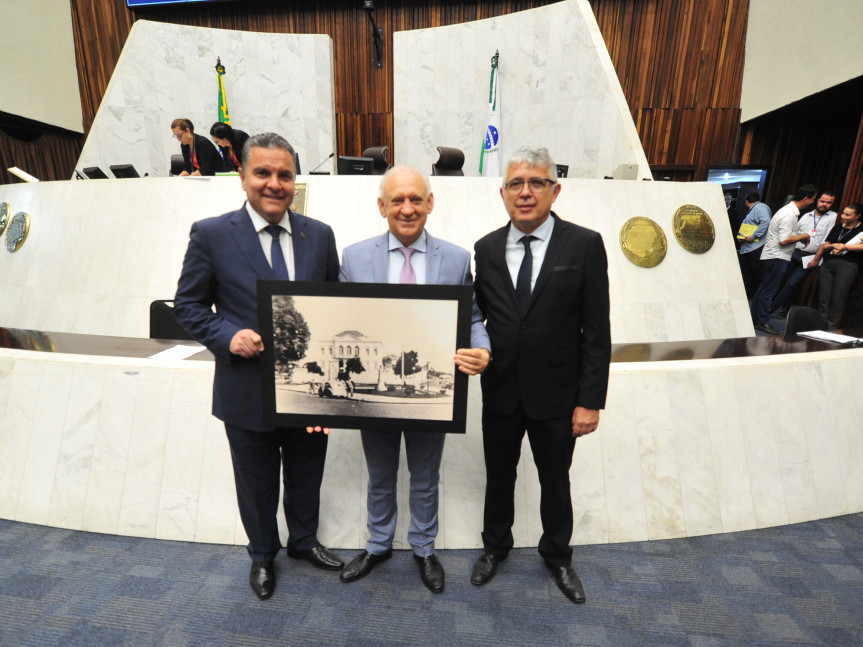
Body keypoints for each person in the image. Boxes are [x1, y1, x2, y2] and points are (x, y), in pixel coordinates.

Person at [173, 132, 342, 600]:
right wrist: (227, 336)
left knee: (308, 473)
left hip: (308, 391)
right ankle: (262, 555)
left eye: (284, 174)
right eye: (263, 173)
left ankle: (304, 542)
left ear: (295, 180)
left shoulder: (320, 235)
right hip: (246, 390)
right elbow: (186, 307)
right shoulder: (210, 233)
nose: (274, 183)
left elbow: (332, 310)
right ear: (243, 177)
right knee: (257, 482)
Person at [335, 166, 491, 593]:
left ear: (430, 203)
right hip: (373, 391)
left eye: (416, 200)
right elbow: (341, 316)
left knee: (425, 475)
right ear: (382, 207)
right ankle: (378, 544)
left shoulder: (457, 259)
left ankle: (424, 549)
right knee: (380, 474)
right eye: (397, 200)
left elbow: (473, 316)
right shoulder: (354, 257)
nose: (407, 209)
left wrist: (483, 348)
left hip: (431, 390)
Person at [470, 147, 611, 604]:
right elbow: (479, 319)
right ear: (503, 193)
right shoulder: (487, 249)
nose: (525, 192)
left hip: (559, 395)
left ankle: (557, 555)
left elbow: (597, 331)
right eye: (516, 184)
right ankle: (495, 548)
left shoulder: (585, 244)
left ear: (555, 190)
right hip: (502, 392)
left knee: (556, 480)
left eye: (535, 183)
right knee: (499, 477)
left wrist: (590, 401)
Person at [750, 184, 817, 335]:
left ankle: (754, 318)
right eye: (813, 199)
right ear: (806, 198)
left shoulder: (788, 211)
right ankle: (762, 321)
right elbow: (784, 240)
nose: (813, 202)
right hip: (777, 256)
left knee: (763, 289)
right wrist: (804, 236)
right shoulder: (789, 214)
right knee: (769, 291)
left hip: (774, 255)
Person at [770, 191, 836, 318]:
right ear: (817, 201)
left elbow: (825, 241)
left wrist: (817, 259)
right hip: (794, 253)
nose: (825, 205)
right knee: (789, 282)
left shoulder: (833, 217)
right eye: (822, 201)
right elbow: (794, 234)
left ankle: (771, 308)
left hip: (810, 257)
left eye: (829, 203)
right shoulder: (806, 216)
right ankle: (785, 310)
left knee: (792, 283)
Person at [810, 203, 863, 329]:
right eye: (843, 213)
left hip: (847, 266)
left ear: (858, 216)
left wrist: (844, 246)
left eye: (847, 215)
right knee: (824, 297)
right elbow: (825, 245)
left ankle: (831, 328)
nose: (843, 216)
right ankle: (820, 326)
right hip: (828, 264)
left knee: (837, 298)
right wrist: (834, 245)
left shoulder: (861, 230)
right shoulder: (838, 227)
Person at [736, 192, 773, 298]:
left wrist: (753, 236)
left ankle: (756, 295)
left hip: (755, 247)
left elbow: (766, 221)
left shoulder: (759, 207)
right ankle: (748, 294)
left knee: (756, 273)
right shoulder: (755, 209)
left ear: (746, 201)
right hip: (747, 248)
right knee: (747, 272)